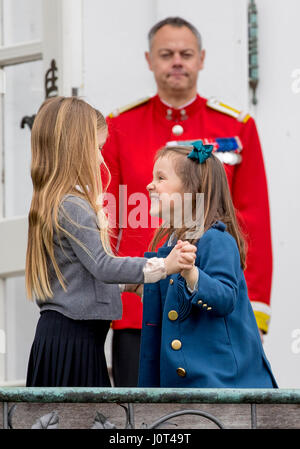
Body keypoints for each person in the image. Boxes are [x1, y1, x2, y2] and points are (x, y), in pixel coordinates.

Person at [102, 16, 273, 387]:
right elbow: (112, 218)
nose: (177, 61)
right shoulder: (119, 126)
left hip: (210, 307)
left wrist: (255, 309)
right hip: (141, 309)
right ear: (149, 59)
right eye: (167, 54)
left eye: (186, 53)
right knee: (141, 417)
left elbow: (253, 219)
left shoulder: (236, 126)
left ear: (201, 58)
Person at [25, 96, 196, 387]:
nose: (102, 158)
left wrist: (131, 284)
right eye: (98, 148)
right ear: (77, 148)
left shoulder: (63, 202)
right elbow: (102, 266)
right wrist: (163, 266)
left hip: (76, 340)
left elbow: (80, 276)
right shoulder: (72, 205)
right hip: (72, 343)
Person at [138, 142, 277, 388]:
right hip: (181, 389)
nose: (150, 185)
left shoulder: (216, 239)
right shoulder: (169, 246)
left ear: (192, 191)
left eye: (160, 178)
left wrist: (192, 275)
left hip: (223, 386)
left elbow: (225, 297)